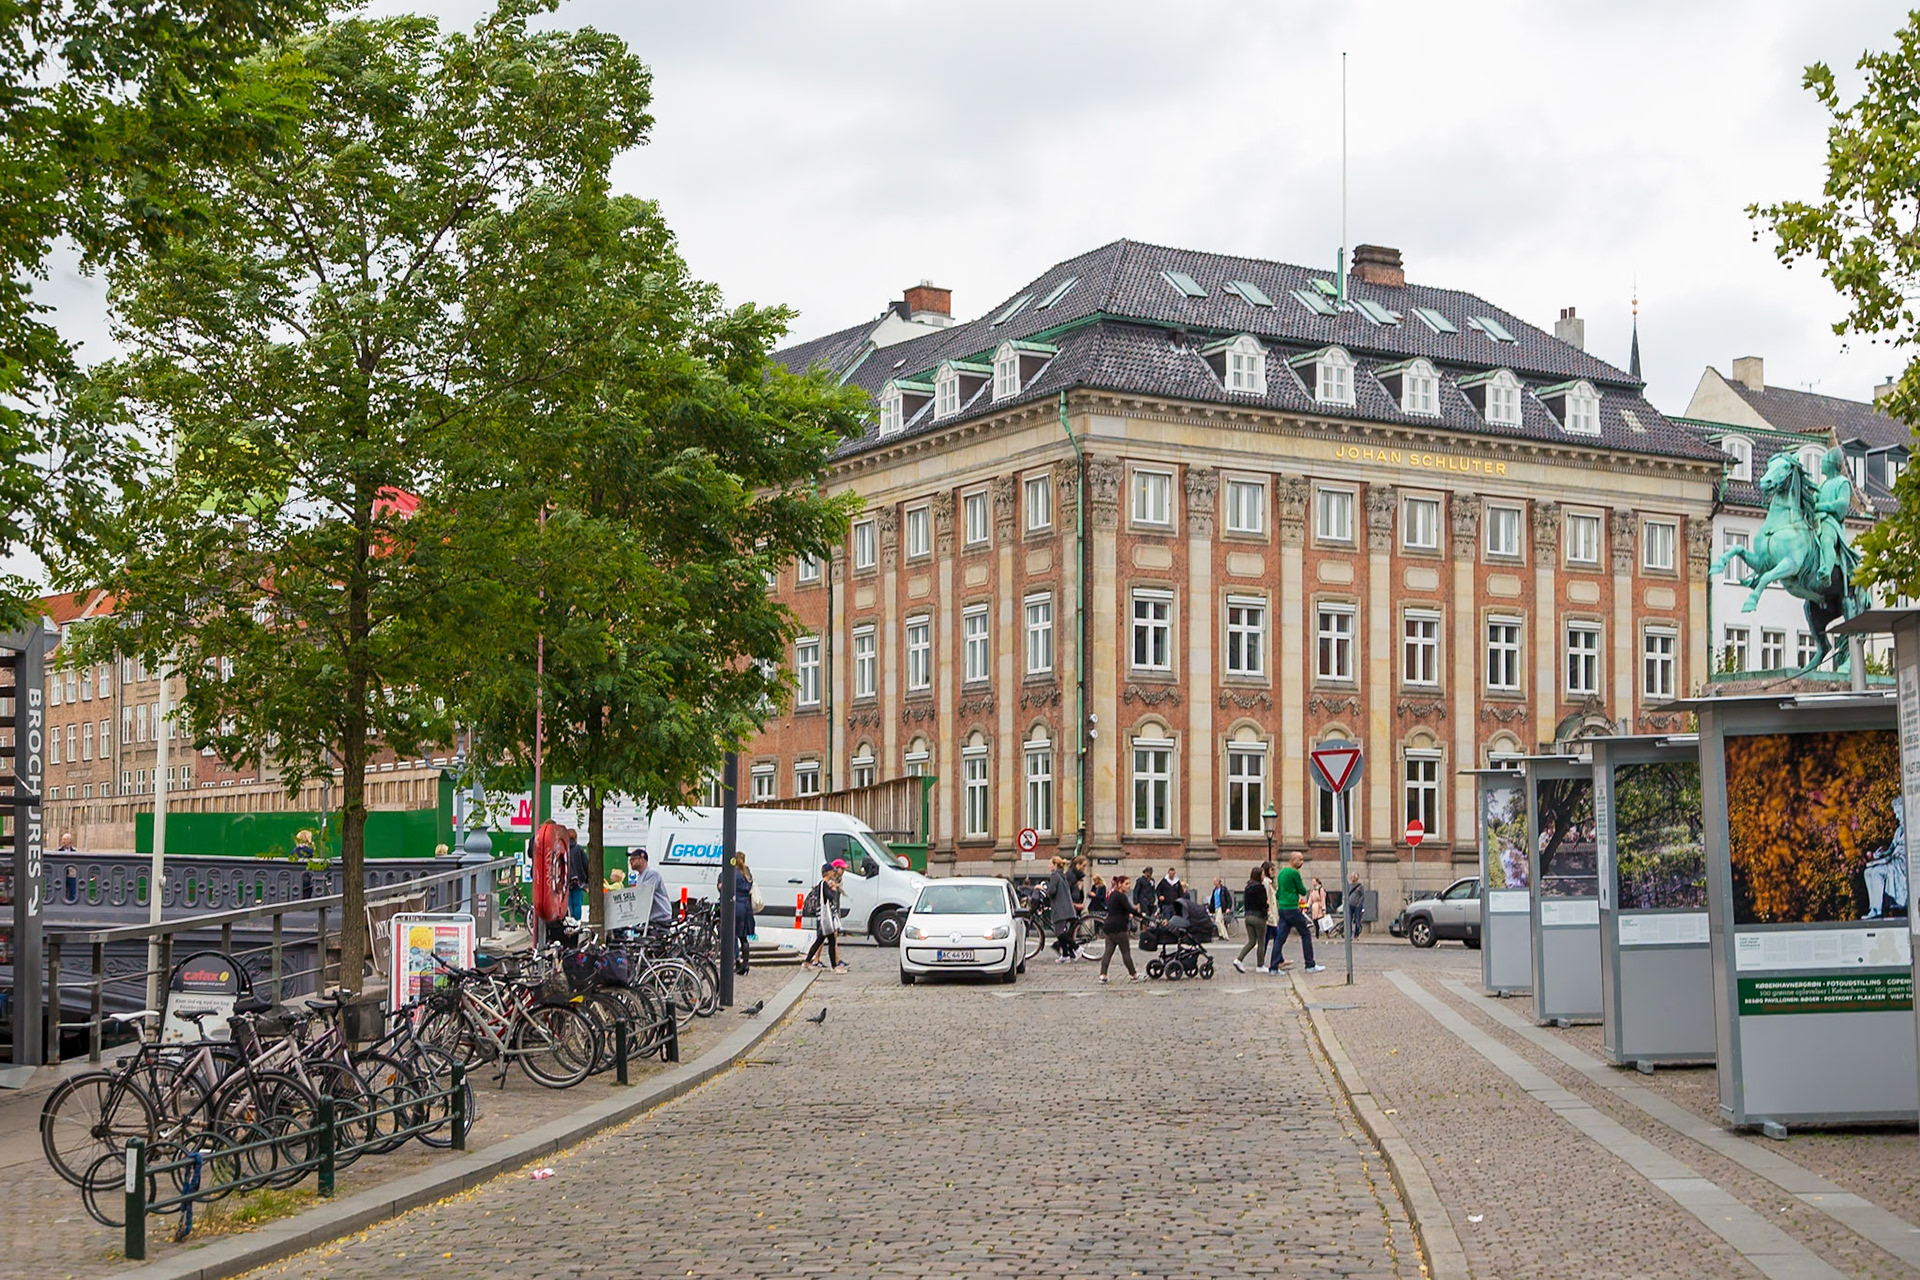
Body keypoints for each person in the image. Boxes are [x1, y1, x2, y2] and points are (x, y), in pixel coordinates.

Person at [1268, 852, 1324, 973]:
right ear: (1293, 860)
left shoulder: (1282, 872)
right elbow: (1302, 890)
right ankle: (1310, 965)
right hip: (1292, 908)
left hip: (1283, 908)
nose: (1302, 862)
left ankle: (1273, 967)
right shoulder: (1294, 873)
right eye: (1300, 860)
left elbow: (1278, 892)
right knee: (1306, 934)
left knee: (1280, 938)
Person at [1863, 798, 1909, 920]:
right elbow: (1890, 849)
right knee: (1868, 872)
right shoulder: (1899, 831)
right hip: (1893, 859)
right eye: (1896, 813)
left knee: (1877, 872)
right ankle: (1873, 908)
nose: (1897, 816)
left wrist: (1886, 858)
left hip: (1902, 864)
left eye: (1898, 812)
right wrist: (1879, 855)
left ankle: (1878, 910)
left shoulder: (1912, 829)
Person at [1097, 874, 1145, 983]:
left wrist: (1127, 914)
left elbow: (1117, 909)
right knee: (1126, 952)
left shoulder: (1113, 894)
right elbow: (1129, 908)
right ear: (1119, 884)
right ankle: (1134, 974)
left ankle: (1103, 975)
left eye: (1129, 884)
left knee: (1108, 952)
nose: (1128, 886)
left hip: (1108, 927)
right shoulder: (1121, 896)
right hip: (1119, 928)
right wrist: (1140, 914)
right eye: (1126, 884)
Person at [803, 865, 848, 973]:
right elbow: (830, 897)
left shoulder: (824, 884)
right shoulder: (824, 884)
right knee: (829, 940)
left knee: (820, 940)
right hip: (825, 918)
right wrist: (833, 889)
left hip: (824, 918)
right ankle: (834, 966)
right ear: (827, 872)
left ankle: (807, 962)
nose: (834, 873)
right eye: (832, 871)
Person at [1234, 864, 1270, 973]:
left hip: (1248, 916)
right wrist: (1266, 909)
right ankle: (1260, 965)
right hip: (1258, 917)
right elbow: (1262, 902)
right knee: (1261, 942)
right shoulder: (1260, 888)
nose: (1263, 876)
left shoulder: (1248, 887)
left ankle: (1239, 959)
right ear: (1258, 876)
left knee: (1251, 941)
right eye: (1262, 874)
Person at [627, 849, 673, 925]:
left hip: (660, 919)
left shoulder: (652, 874)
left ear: (642, 858)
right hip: (650, 919)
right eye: (630, 860)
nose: (631, 862)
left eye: (633, 859)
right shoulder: (640, 876)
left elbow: (644, 894)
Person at [1047, 856, 1078, 962]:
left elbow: (1052, 891)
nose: (1049, 866)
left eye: (1051, 864)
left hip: (1059, 908)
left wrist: (1045, 890)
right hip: (1067, 907)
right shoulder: (1062, 875)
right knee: (1061, 932)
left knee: (1059, 932)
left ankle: (1077, 948)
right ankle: (1065, 955)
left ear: (1055, 865)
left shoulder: (1054, 875)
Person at [732, 854, 757, 975]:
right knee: (744, 938)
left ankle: (736, 961)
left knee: (733, 935)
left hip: (736, 907)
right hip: (746, 907)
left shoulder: (734, 873)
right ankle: (746, 964)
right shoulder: (747, 873)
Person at [565, 827, 589, 921]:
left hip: (566, 880)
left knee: (569, 903)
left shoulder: (563, 849)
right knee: (577, 903)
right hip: (578, 880)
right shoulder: (579, 849)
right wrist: (587, 880)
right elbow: (585, 864)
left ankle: (570, 920)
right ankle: (577, 921)